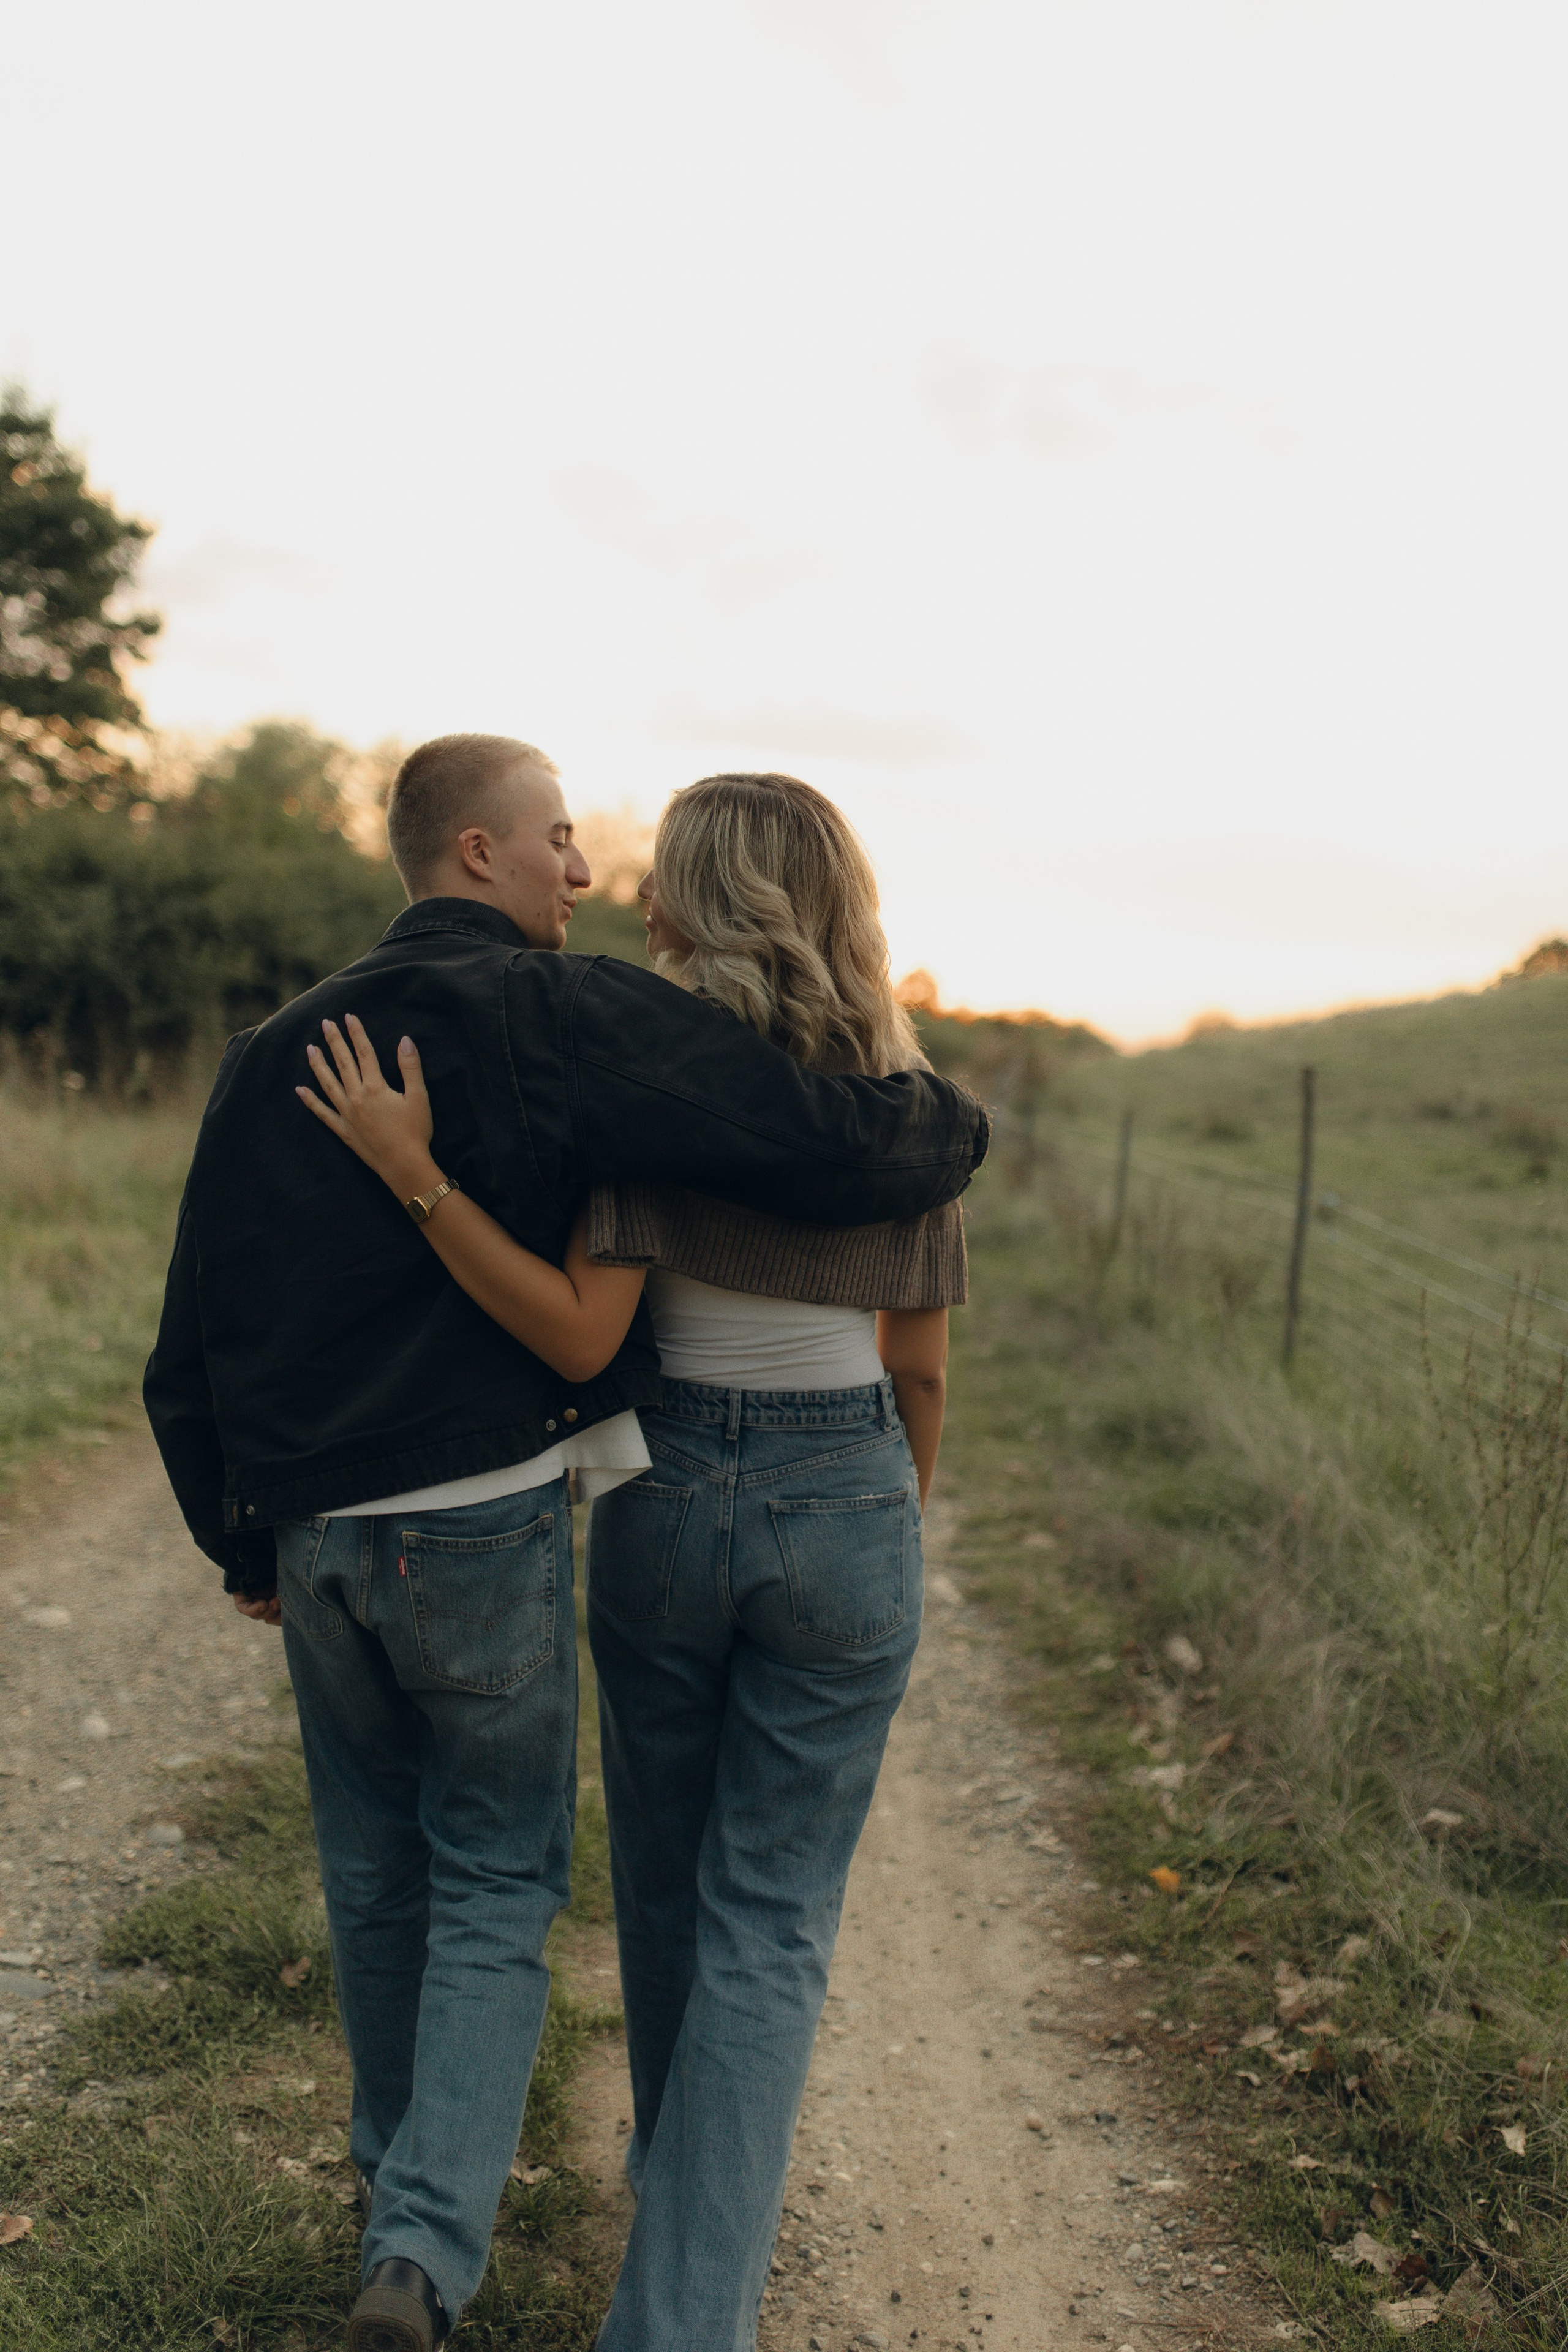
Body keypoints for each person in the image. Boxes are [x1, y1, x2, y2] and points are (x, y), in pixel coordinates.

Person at [143, 737, 986, 2352]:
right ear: (482, 851)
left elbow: (219, 1336)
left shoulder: (315, 1058)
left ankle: (440, 2212)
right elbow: (896, 1306)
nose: (596, 879)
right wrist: (883, 1508)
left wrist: (236, 1528)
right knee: (662, 1910)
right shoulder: (753, 1061)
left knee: (532, 1892)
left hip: (509, 1517)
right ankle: (573, 2282)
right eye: (563, 844)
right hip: (713, 1502)